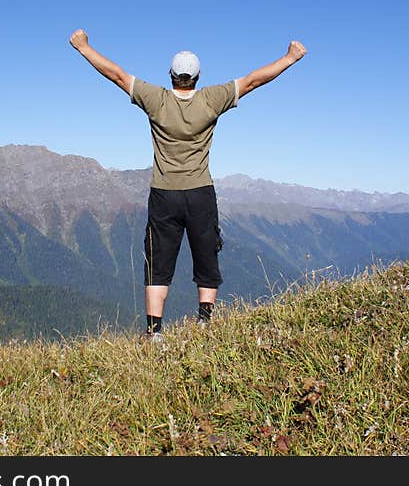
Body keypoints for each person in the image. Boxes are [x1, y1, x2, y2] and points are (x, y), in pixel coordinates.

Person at [69, 29, 307, 340]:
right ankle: (204, 324)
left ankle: (154, 332)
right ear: (197, 77)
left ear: (171, 76)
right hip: (200, 194)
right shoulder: (212, 99)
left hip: (164, 194)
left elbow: (115, 75)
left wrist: (83, 47)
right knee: (206, 256)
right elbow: (253, 80)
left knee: (158, 262)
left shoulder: (156, 99)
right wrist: (290, 57)